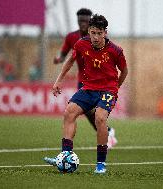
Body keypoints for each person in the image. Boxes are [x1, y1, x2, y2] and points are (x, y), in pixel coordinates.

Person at [44, 14, 128, 174]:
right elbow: (69, 61)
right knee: (69, 112)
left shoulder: (115, 50)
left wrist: (115, 87)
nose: (96, 37)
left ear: (105, 33)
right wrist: (58, 80)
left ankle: (101, 164)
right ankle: (66, 154)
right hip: (88, 88)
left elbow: (124, 70)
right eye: (93, 32)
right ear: (89, 31)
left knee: (100, 118)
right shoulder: (81, 44)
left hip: (108, 90)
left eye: (99, 33)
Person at [53, 8, 118, 148]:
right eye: (80, 20)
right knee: (85, 112)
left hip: (99, 82)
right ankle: (106, 132)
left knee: (95, 114)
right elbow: (64, 55)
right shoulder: (71, 37)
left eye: (85, 21)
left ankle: (105, 133)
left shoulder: (99, 38)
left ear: (90, 23)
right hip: (82, 81)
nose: (82, 23)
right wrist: (58, 58)